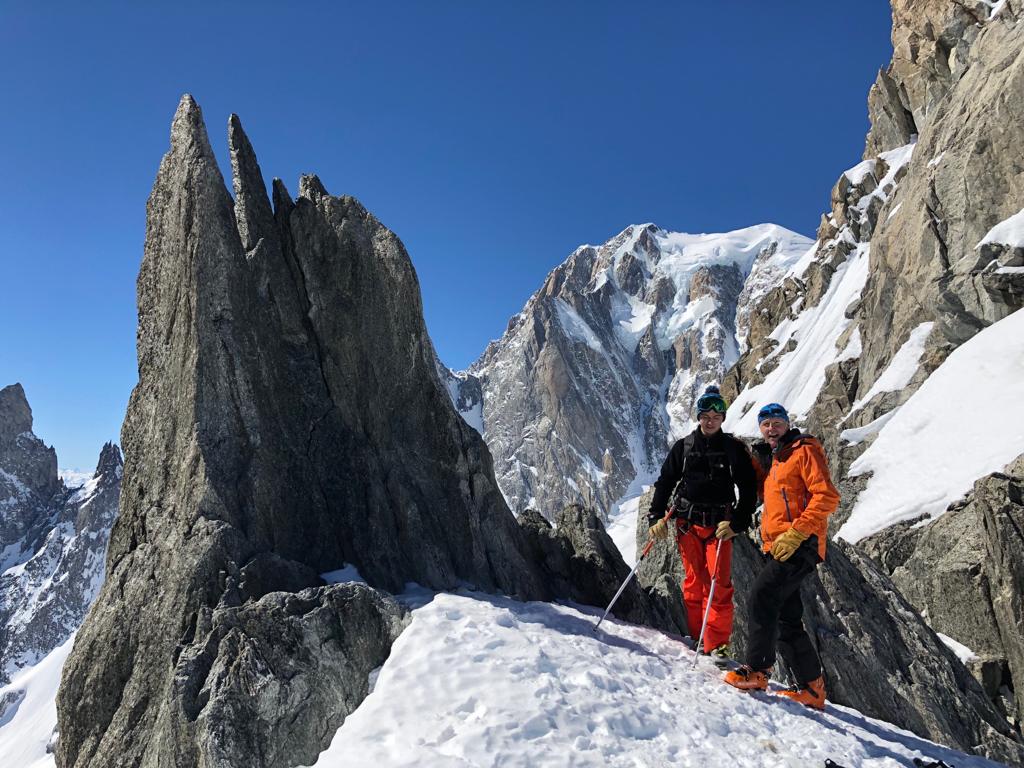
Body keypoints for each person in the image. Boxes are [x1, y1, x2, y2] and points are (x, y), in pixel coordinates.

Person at [723, 402, 840, 709]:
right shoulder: (776, 460)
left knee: (761, 596)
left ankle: (757, 670)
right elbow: (766, 494)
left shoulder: (804, 451)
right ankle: (812, 689)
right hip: (778, 547)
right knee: (788, 618)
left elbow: (827, 496)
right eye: (765, 424)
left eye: (776, 422)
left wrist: (798, 532)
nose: (771, 428)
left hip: (800, 545)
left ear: (787, 424)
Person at [647, 385, 757, 660]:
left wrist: (738, 524)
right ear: (699, 417)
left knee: (719, 584)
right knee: (694, 583)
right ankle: (698, 637)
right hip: (687, 524)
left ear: (722, 419)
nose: (710, 420)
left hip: (720, 527)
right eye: (705, 415)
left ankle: (716, 644)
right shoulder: (683, 447)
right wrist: (655, 516)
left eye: (715, 416)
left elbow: (748, 487)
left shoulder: (733, 449)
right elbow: (665, 482)